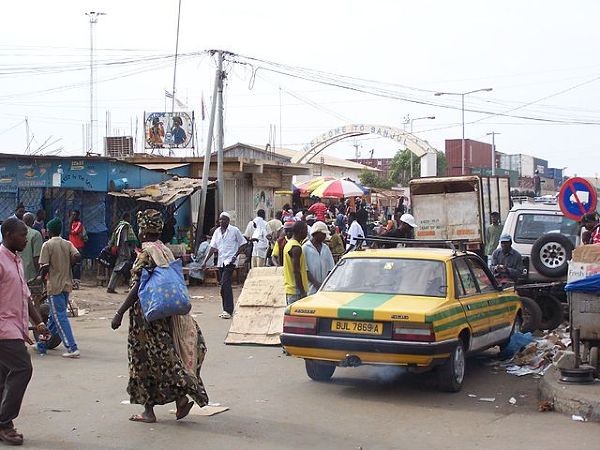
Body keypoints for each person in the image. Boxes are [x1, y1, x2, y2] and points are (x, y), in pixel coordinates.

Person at [110, 209, 208, 424]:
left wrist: (119, 313)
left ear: (143, 229)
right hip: (164, 315)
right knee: (166, 357)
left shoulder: (146, 253)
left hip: (146, 318)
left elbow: (137, 287)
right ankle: (181, 399)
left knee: (144, 361)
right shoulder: (165, 250)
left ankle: (149, 411)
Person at [0, 218, 50, 446]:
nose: (26, 238)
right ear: (8, 235)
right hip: (3, 329)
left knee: (3, 376)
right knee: (22, 368)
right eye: (22, 234)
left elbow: (25, 296)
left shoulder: (17, 261)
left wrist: (38, 323)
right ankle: (5, 422)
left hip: (16, 326)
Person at [38, 218, 81, 358]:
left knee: (60, 317)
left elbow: (44, 266)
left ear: (49, 231)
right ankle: (42, 343)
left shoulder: (47, 245)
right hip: (66, 284)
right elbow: (77, 255)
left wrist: (43, 280)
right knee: (54, 318)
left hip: (54, 285)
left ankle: (71, 347)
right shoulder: (67, 243)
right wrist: (70, 264)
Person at [202, 212, 246, 319]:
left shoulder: (234, 231)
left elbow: (243, 243)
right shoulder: (217, 232)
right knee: (223, 286)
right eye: (220, 220)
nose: (221, 221)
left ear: (228, 221)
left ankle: (228, 310)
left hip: (230, 261)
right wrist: (205, 261)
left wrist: (236, 255)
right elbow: (212, 247)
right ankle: (225, 309)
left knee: (225, 283)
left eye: (224, 219)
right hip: (221, 262)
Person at [107, 212, 138, 294]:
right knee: (118, 268)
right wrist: (131, 248)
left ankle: (112, 287)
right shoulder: (125, 226)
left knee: (119, 269)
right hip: (124, 251)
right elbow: (125, 240)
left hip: (120, 250)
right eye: (129, 217)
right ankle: (111, 287)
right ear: (127, 217)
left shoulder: (119, 226)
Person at [303, 222, 335, 295]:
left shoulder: (325, 248)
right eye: (323, 234)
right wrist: (316, 283)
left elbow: (331, 267)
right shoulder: (305, 248)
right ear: (316, 233)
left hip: (325, 288)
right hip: (311, 288)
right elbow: (305, 269)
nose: (324, 236)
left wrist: (325, 283)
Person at [283, 221, 309, 304]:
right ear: (301, 231)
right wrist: (302, 292)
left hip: (290, 289)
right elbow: (296, 271)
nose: (307, 233)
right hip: (296, 291)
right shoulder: (296, 248)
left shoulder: (289, 244)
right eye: (306, 230)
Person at [19, 213, 43, 282]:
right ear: (33, 222)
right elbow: (36, 257)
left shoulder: (15, 233)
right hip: (30, 274)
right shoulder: (35, 234)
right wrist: (39, 273)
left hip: (17, 271)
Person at [68, 210, 86, 290]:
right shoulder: (71, 224)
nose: (73, 216)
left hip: (78, 246)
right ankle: (71, 282)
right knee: (71, 265)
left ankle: (76, 283)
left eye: (74, 215)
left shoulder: (79, 224)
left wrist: (70, 223)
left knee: (77, 266)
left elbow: (73, 232)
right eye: (72, 215)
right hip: (71, 246)